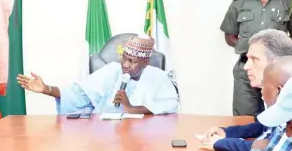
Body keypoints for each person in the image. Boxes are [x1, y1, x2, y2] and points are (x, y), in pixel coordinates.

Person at [220, 0, 292, 117]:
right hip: (246, 71)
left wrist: (278, 51)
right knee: (244, 119)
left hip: (277, 71)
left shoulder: (289, 1)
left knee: (279, 116)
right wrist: (253, 54)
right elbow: (229, 35)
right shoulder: (240, 1)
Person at [17, 35, 179, 115]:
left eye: (132, 61)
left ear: (145, 62)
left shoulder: (158, 77)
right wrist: (47, 89)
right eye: (124, 59)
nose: (126, 65)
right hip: (106, 138)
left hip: (143, 141)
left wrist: (131, 108)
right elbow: (79, 94)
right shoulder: (112, 71)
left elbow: (169, 105)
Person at [202, 29, 292, 151]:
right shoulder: (277, 91)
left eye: (254, 59)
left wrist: (223, 143)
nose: (246, 66)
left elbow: (274, 149)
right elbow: (266, 127)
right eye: (247, 59)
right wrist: (226, 132)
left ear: (276, 63)